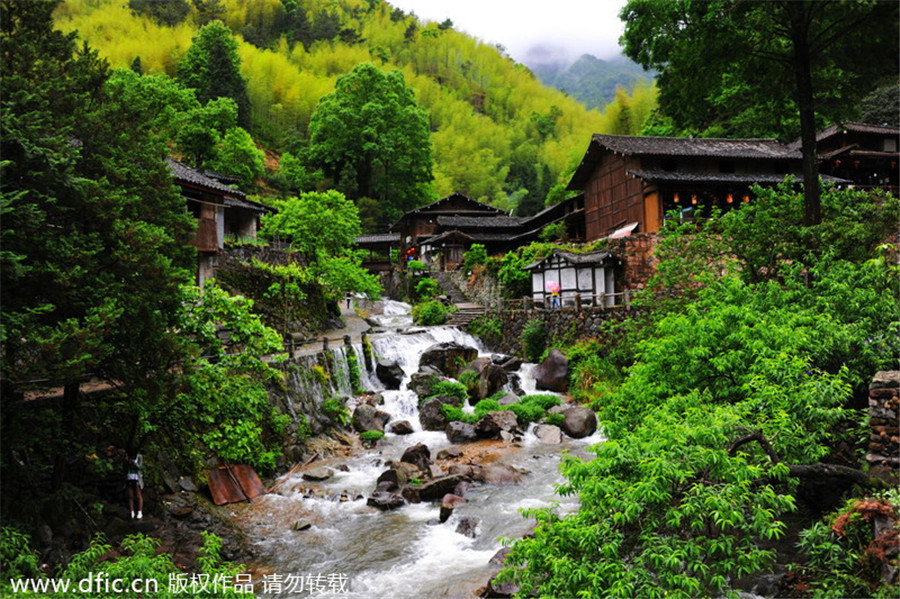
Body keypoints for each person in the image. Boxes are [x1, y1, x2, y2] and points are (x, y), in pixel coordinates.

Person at [124, 452, 143, 519]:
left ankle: (139, 511)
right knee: (130, 496)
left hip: (137, 479)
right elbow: (125, 468)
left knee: (138, 495)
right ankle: (132, 512)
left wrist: (133, 462)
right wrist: (126, 461)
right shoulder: (127, 456)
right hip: (129, 478)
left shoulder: (139, 457)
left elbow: (139, 467)